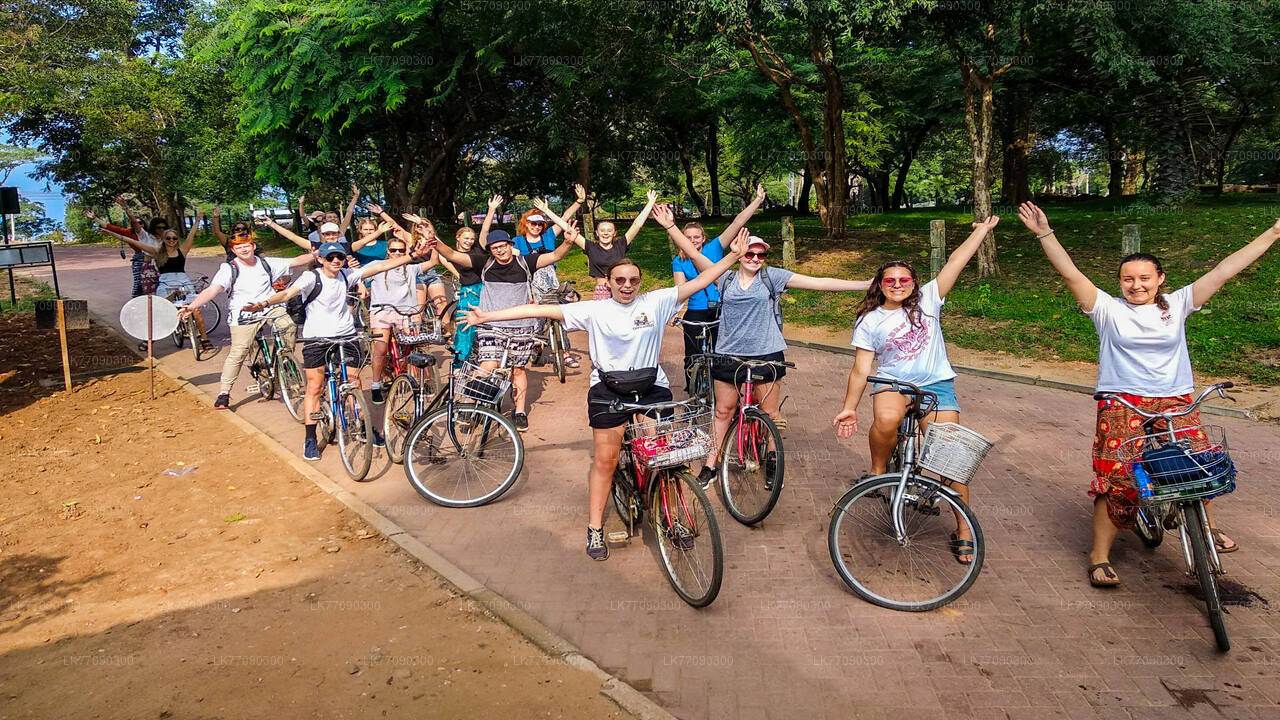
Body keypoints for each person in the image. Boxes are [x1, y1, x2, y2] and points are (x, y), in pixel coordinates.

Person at [1017, 201, 1278, 587]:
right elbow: (1070, 273)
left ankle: (1203, 527)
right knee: (1118, 479)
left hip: (1176, 399)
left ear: (1160, 279)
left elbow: (1224, 270)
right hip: (1122, 402)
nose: (1136, 285)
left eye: (1144, 278)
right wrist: (1044, 233)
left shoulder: (1178, 304)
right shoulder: (1105, 309)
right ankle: (1099, 555)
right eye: (1127, 279)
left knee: (1196, 467)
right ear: (1119, 282)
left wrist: (1274, 233)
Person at [462, 231, 749, 560]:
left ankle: (673, 516)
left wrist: (732, 257)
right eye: (620, 280)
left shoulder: (655, 301)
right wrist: (485, 316)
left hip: (651, 386)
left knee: (662, 457)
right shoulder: (594, 310)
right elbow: (539, 309)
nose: (627, 285)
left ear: (640, 282)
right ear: (609, 282)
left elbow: (701, 281)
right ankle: (595, 526)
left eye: (633, 280)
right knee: (606, 461)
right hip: (608, 390)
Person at [832, 216, 1000, 565]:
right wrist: (850, 406)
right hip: (894, 384)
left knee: (950, 457)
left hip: (936, 384)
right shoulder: (870, 320)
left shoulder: (929, 299)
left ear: (913, 283)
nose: (897, 284)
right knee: (887, 421)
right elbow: (862, 368)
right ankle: (878, 471)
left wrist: (981, 232)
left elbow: (956, 262)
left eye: (903, 279)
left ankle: (963, 527)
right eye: (889, 280)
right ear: (880, 284)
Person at [662, 212, 873, 490]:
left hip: (767, 354)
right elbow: (693, 253)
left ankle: (772, 459)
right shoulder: (724, 278)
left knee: (770, 415)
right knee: (723, 412)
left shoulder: (773, 277)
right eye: (750, 254)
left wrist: (865, 285)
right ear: (739, 255)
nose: (755, 260)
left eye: (760, 256)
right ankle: (711, 464)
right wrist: (670, 226)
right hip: (728, 354)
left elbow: (819, 282)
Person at [242, 239, 436, 461]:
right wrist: (264, 303)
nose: (336, 261)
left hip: (347, 335)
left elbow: (381, 266)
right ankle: (310, 437)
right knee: (315, 386)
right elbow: (287, 294)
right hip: (317, 338)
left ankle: (364, 426)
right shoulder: (311, 277)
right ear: (321, 259)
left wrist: (412, 256)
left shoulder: (347, 275)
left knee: (354, 381)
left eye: (340, 257)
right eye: (331, 257)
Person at [434, 225, 576, 432]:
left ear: (511, 246)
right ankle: (469, 406)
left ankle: (519, 412)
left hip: (521, 325)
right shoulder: (485, 263)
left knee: (517, 370)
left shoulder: (525, 263)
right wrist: (434, 242)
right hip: (491, 324)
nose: (500, 250)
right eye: (495, 248)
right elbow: (453, 255)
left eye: (503, 246)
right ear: (490, 250)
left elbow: (555, 256)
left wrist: (568, 242)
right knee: (487, 365)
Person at [178, 231, 317, 409]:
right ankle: (224, 392)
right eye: (238, 247)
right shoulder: (229, 269)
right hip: (243, 312)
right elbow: (213, 289)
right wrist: (192, 305)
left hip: (269, 306)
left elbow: (296, 261)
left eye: (246, 245)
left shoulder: (266, 263)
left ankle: (285, 358)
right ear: (233, 250)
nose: (243, 249)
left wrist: (317, 254)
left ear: (253, 247)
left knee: (288, 326)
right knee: (239, 351)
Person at [657, 186, 767, 389]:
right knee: (692, 354)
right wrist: (675, 311)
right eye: (688, 238)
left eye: (696, 237)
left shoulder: (715, 247)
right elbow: (680, 289)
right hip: (696, 311)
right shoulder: (678, 261)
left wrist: (757, 201)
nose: (692, 241)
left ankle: (722, 391)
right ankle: (693, 390)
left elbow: (737, 222)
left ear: (703, 238)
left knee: (723, 354)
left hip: (720, 308)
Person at [367, 233, 448, 404]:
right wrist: (360, 286)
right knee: (381, 348)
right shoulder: (377, 265)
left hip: (406, 312)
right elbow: (360, 277)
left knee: (413, 345)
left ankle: (420, 379)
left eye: (401, 250)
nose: (397, 253)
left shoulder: (411, 268)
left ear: (406, 251)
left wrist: (434, 242)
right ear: (387, 252)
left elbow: (434, 262)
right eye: (393, 250)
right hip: (382, 311)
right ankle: (375, 384)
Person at [533, 189, 658, 300]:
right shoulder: (591, 247)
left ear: (614, 233)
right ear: (597, 233)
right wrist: (546, 210)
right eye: (602, 231)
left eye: (609, 231)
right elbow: (566, 226)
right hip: (602, 291)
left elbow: (637, 224)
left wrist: (650, 203)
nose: (605, 233)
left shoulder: (621, 245)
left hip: (621, 290)